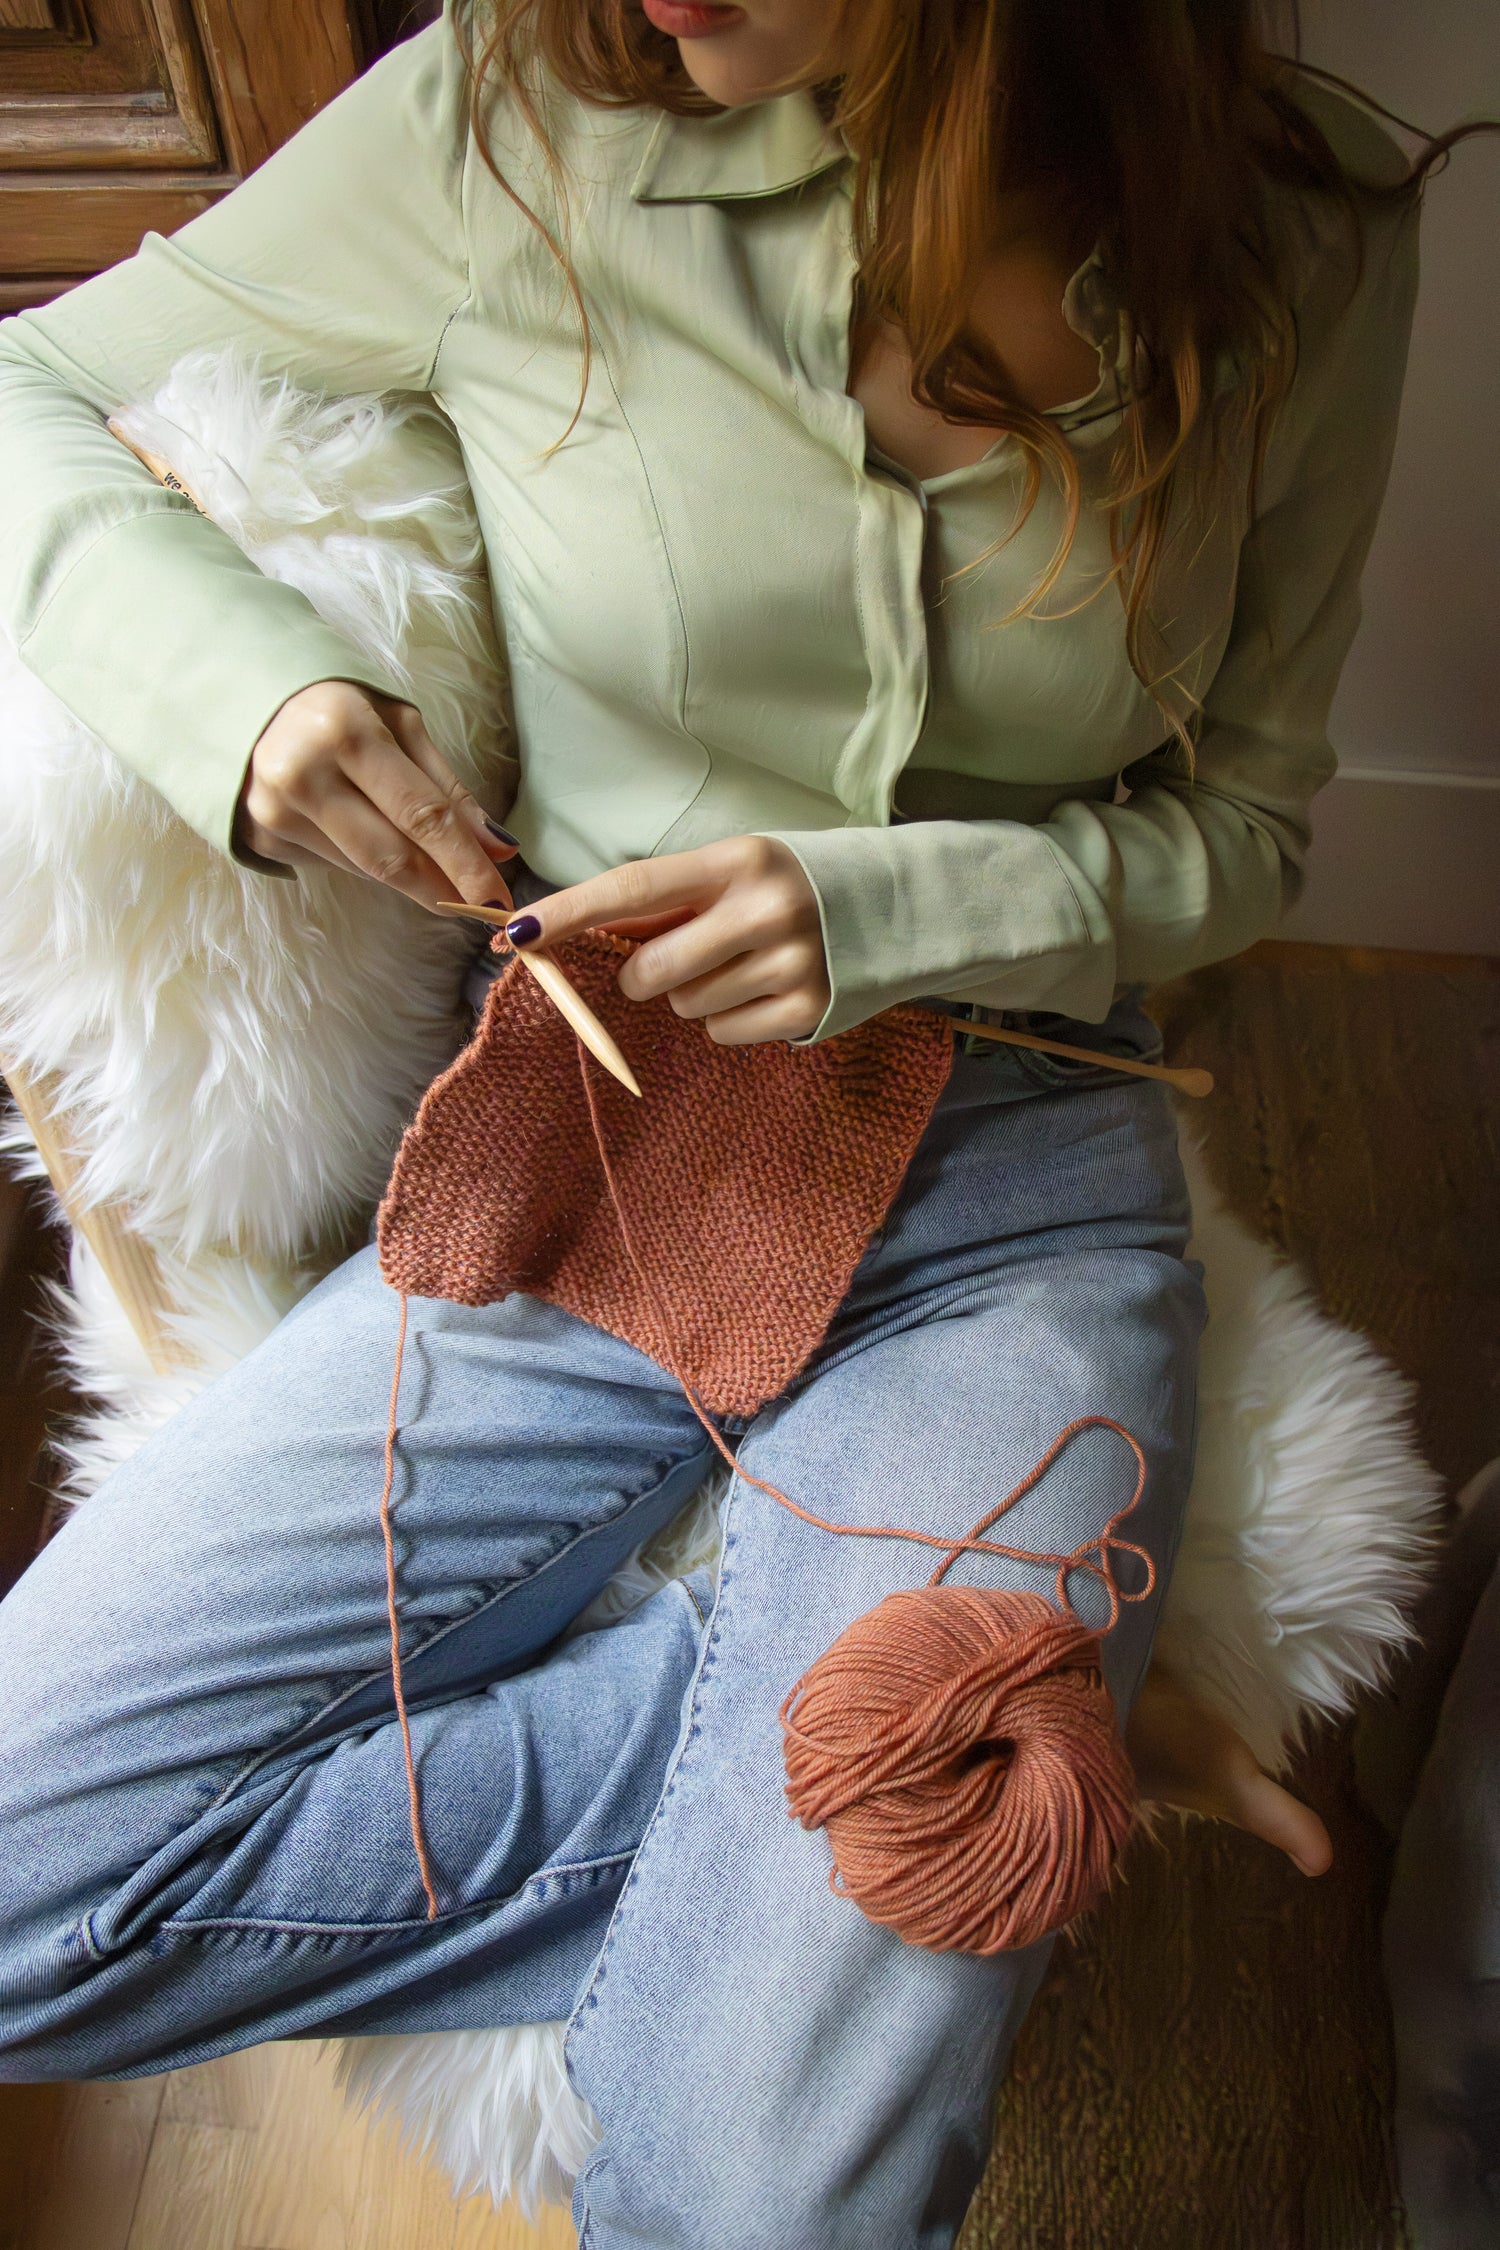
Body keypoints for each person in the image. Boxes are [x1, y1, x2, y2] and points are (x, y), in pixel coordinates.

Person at [0, 2, 1454, 2241]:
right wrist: (250, 690)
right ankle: (1026, 1702)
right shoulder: (506, 120)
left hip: (1020, 1175)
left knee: (772, 2196)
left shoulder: (1301, 225)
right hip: (588, 1166)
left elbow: (1245, 831)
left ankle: (978, 1715)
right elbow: (27, 385)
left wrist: (898, 905)